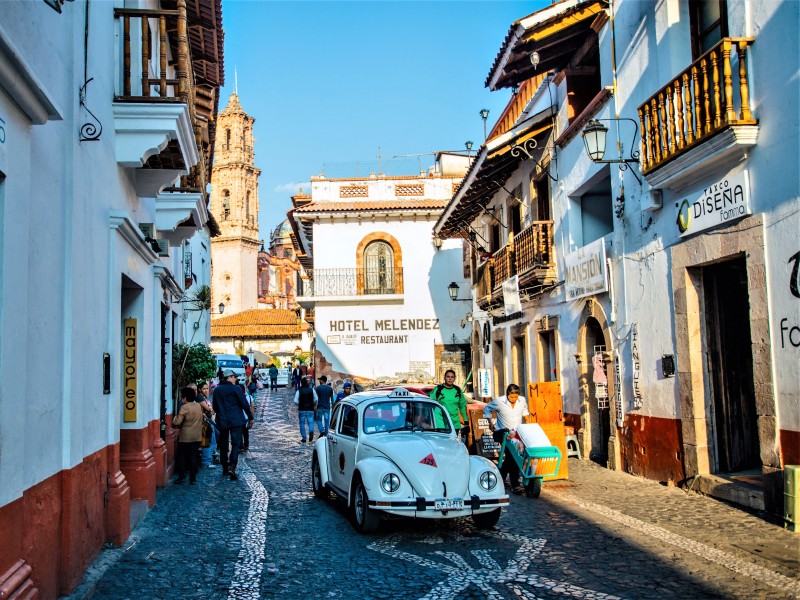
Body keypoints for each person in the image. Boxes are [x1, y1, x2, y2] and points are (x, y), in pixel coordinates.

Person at [483, 384, 531, 492]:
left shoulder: (522, 400)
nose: (513, 399)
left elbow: (525, 413)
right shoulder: (499, 401)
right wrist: (490, 423)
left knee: (511, 457)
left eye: (515, 397)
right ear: (507, 394)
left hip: (516, 434)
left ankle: (500, 476)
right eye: (511, 397)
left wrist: (529, 426)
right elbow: (487, 409)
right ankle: (515, 485)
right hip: (503, 433)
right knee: (513, 456)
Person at [212, 369, 254, 481]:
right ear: (229, 377)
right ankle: (232, 466)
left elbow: (215, 406)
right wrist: (250, 417)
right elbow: (244, 404)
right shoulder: (236, 389)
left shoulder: (217, 390)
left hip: (222, 420)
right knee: (235, 444)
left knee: (223, 444)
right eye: (234, 377)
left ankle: (225, 467)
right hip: (236, 420)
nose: (236, 379)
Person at [173, 386, 204, 484]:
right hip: (197, 435)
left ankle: (181, 477)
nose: (182, 399)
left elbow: (178, 422)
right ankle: (193, 478)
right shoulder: (198, 406)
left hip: (186, 436)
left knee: (182, 456)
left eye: (182, 397)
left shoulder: (184, 407)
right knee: (193, 456)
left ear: (185, 397)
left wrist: (174, 418)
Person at [430, 369, 468, 435]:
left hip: (454, 423)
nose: (450, 379)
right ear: (444, 378)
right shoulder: (438, 389)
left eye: (452, 377)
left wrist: (466, 420)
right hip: (440, 423)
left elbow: (462, 406)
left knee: (454, 440)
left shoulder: (458, 390)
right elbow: (430, 403)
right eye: (448, 377)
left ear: (454, 379)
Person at [196, 381, 217, 468]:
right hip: (204, 422)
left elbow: (211, 410)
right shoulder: (199, 397)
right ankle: (207, 460)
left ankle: (211, 455)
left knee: (213, 436)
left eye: (207, 388)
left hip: (208, 421)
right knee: (207, 441)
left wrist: (211, 410)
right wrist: (211, 409)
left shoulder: (204, 397)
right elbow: (209, 409)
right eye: (204, 389)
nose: (206, 390)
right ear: (199, 389)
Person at [294, 376, 318, 442]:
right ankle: (311, 431)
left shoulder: (299, 391)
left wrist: (299, 404)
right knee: (311, 422)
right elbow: (316, 399)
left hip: (302, 409)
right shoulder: (312, 390)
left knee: (302, 423)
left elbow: (295, 401)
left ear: (301, 383)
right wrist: (312, 403)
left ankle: (304, 438)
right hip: (310, 409)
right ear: (307, 383)